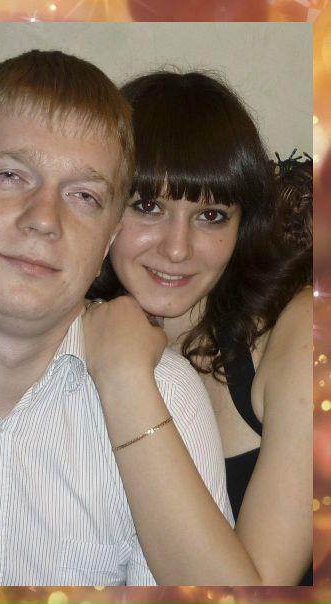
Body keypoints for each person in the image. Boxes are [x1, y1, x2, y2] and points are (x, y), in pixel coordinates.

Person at [0, 52, 232, 586]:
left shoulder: (166, 396)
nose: (45, 219)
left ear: (108, 241)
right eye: (10, 175)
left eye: (84, 196)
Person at [82, 71, 312, 585]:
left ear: (244, 223)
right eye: (148, 207)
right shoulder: (67, 323)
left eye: (211, 215)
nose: (177, 248)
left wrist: (123, 375)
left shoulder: (303, 330)